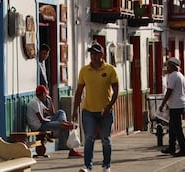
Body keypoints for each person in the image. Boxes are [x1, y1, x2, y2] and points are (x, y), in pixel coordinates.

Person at [73, 42, 119, 172]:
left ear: (101, 54)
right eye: (91, 53)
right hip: (88, 111)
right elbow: (79, 91)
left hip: (106, 111)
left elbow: (116, 91)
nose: (93, 56)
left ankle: (106, 165)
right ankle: (88, 166)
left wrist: (109, 106)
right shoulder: (84, 70)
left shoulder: (110, 70)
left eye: (95, 53)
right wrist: (75, 109)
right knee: (89, 138)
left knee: (106, 139)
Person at [26, 85, 83, 158]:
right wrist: (52, 121)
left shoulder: (39, 102)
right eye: (46, 94)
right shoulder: (35, 102)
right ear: (43, 94)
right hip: (38, 126)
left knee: (61, 112)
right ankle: (71, 150)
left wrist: (50, 101)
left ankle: (65, 123)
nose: (46, 96)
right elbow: (42, 120)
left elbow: (52, 113)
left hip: (42, 122)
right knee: (64, 126)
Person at [159, 57, 185, 157]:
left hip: (176, 105)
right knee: (172, 127)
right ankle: (171, 147)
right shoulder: (180, 75)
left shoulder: (173, 76)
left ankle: (183, 148)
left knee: (177, 128)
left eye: (168, 66)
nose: (167, 68)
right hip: (179, 104)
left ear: (172, 66)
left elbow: (169, 91)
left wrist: (163, 103)